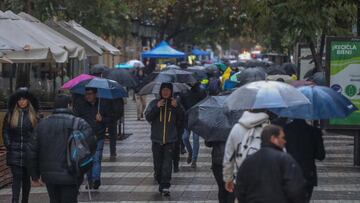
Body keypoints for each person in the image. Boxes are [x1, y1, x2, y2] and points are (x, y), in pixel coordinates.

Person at [27, 94, 96, 203]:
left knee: (54, 200)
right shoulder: (79, 123)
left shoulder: (42, 125)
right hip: (72, 173)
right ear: (69, 105)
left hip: (49, 175)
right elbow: (91, 144)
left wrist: (35, 175)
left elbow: (32, 151)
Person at [235, 125, 306, 203]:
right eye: (282, 138)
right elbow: (295, 189)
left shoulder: (248, 161)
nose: (285, 141)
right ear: (273, 139)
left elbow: (240, 189)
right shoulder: (285, 160)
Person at [145, 83, 185, 196]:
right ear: (160, 91)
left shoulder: (176, 104)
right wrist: (157, 107)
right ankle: (159, 180)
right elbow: (148, 117)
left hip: (170, 140)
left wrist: (177, 107)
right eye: (164, 90)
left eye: (168, 90)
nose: (165, 92)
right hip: (157, 140)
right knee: (158, 166)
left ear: (171, 91)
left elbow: (182, 119)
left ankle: (165, 185)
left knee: (167, 164)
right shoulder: (154, 103)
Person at [2, 88, 39, 203]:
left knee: (26, 180)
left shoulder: (34, 116)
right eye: (19, 99)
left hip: (28, 153)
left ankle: (25, 201)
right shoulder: (11, 114)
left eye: (24, 99)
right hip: (15, 152)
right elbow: (5, 131)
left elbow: (38, 133)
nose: (22, 102)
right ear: (16, 101)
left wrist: (34, 147)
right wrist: (9, 144)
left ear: (28, 100)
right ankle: (14, 200)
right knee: (17, 179)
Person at [73, 88, 113, 190]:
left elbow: (110, 119)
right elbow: (76, 119)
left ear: (96, 94)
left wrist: (102, 119)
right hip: (85, 137)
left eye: (90, 94)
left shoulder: (102, 104)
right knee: (87, 159)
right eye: (86, 94)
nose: (88, 96)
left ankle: (96, 180)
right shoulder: (81, 105)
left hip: (98, 136)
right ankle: (89, 180)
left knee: (96, 158)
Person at [223, 110, 269, 193]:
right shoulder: (270, 129)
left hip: (241, 179)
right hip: (265, 182)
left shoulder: (236, 128)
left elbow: (229, 157)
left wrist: (228, 178)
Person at [284, 119, 326, 202]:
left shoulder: (284, 130)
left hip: (288, 172)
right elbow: (321, 156)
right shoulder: (314, 131)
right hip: (307, 173)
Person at [180, 82, 207, 168]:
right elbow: (181, 105)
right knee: (185, 137)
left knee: (196, 139)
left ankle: (194, 160)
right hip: (187, 118)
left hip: (197, 118)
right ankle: (190, 152)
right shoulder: (184, 92)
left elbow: (204, 104)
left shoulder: (201, 92)